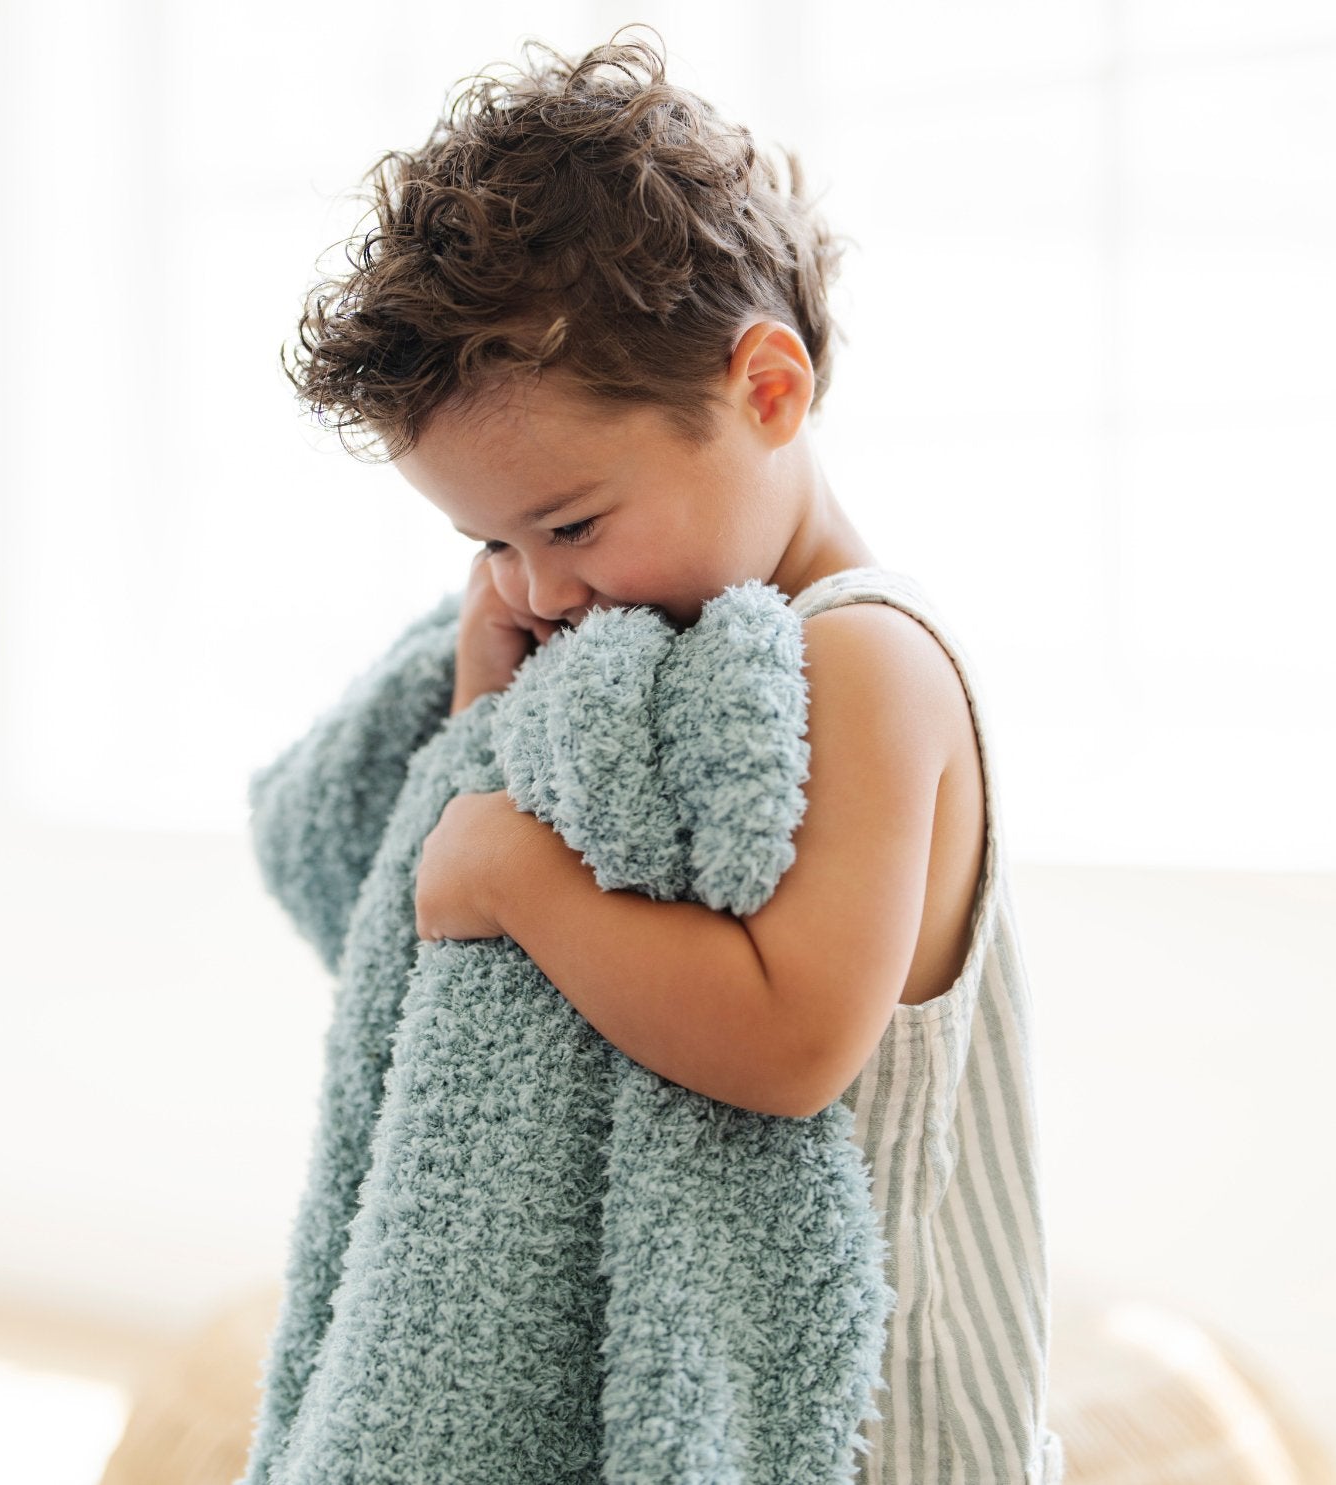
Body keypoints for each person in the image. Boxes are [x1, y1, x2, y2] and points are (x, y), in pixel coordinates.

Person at [278, 26, 1065, 1484]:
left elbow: (786, 1042)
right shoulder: (669, 661)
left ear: (768, 391)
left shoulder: (867, 658)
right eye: (489, 545)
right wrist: (481, 725)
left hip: (866, 1426)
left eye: (571, 524)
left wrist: (519, 877)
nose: (536, 587)